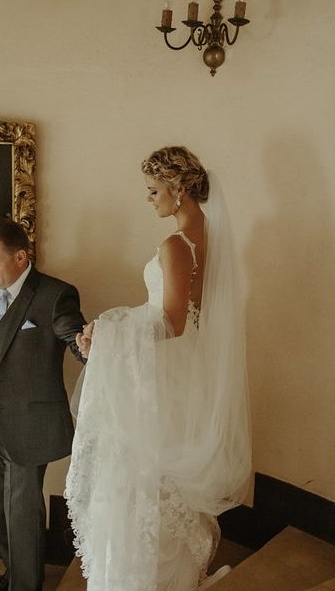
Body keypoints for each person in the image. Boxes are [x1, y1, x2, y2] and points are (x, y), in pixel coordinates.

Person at [65, 146, 251, 590]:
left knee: (144, 476)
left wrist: (106, 333)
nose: (149, 200)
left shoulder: (175, 243)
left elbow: (171, 321)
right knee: (167, 479)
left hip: (162, 374)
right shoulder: (213, 236)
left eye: (153, 191)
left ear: (179, 189)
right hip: (184, 373)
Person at [0, 218, 86, 591]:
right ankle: (13, 577)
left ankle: (25, 587)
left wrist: (84, 344)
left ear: (21, 257)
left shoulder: (55, 295)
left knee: (22, 512)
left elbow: (73, 334)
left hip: (30, 423)